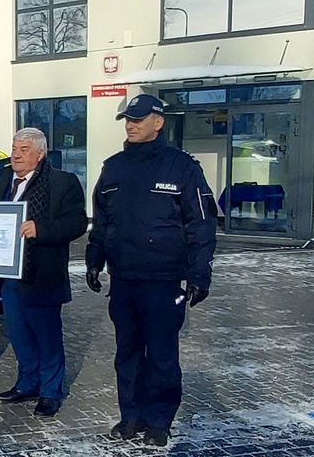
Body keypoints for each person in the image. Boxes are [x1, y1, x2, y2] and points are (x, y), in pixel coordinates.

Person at [85, 94, 217, 447]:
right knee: (127, 353)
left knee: (161, 355)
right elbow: (102, 221)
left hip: (163, 280)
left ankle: (159, 420)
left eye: (138, 120)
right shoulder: (113, 167)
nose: (131, 125)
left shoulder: (182, 167)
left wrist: (200, 273)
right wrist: (94, 259)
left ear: (158, 122)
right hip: (124, 278)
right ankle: (131, 416)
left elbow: (201, 224)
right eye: (128, 120)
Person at [0, 127, 87, 417]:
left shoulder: (62, 182)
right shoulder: (5, 180)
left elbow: (77, 223)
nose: (16, 155)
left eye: (24, 150)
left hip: (42, 274)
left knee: (47, 336)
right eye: (14, 148)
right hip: (9, 273)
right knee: (18, 334)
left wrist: (41, 229)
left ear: (40, 154)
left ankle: (51, 391)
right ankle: (28, 383)